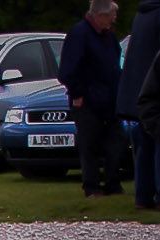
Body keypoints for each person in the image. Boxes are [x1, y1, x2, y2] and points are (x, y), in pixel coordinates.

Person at [59, 0, 126, 195]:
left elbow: (114, 63)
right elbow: (67, 71)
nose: (113, 21)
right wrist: (78, 93)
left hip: (110, 100)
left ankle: (112, 183)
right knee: (90, 145)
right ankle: (92, 186)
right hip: (88, 101)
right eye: (111, 17)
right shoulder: (79, 34)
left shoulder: (108, 37)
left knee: (117, 141)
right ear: (100, 16)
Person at [118, 0, 160, 206]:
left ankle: (142, 196)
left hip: (141, 91)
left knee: (145, 144)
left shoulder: (142, 16)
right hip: (154, 88)